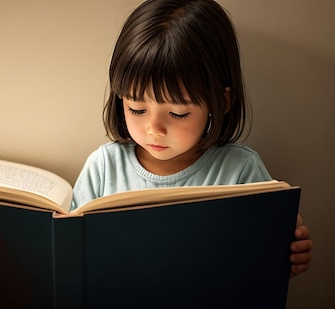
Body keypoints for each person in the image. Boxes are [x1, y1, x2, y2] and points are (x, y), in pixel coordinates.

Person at [70, 0, 312, 277]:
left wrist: (288, 254)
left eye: (178, 113)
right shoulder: (103, 167)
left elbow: (262, 265)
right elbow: (72, 253)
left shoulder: (240, 171)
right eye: (136, 109)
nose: (154, 129)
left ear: (220, 102)